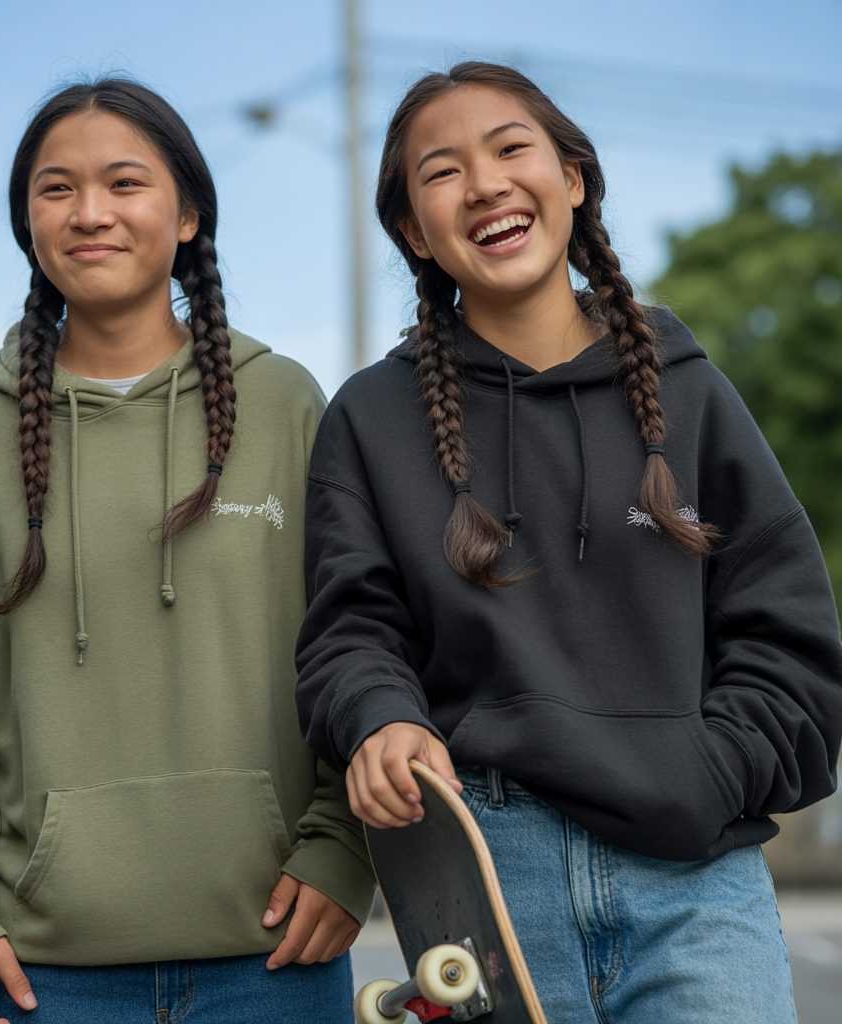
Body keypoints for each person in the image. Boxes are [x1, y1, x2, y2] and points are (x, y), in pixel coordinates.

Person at [295, 62, 842, 1023]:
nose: (488, 184)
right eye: (443, 170)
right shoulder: (369, 419)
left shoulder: (690, 391)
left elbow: (788, 636)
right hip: (487, 886)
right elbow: (350, 632)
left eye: (512, 149)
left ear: (574, 178)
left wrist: (703, 773)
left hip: (697, 884)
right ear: (414, 232)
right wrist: (379, 715)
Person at [0, 79, 374, 1024]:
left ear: (188, 213)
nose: (90, 213)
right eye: (56, 189)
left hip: (274, 961)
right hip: (39, 978)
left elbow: (362, 645)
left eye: (124, 183)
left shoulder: (288, 406)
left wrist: (345, 850)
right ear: (28, 222)